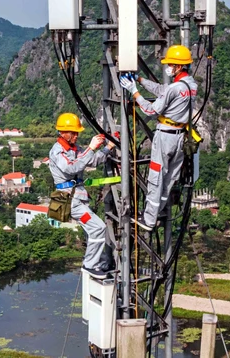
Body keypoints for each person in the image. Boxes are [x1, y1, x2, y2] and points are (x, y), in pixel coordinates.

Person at [119, 44, 197, 231]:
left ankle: (149, 220)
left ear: (178, 66)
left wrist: (134, 92)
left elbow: (150, 110)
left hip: (165, 137)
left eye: (170, 64)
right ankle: (159, 211)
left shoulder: (175, 88)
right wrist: (139, 79)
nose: (168, 67)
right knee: (170, 177)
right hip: (181, 138)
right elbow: (163, 90)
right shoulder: (191, 85)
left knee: (156, 176)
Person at [48, 112, 114, 279]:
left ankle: (98, 261)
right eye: (73, 133)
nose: (76, 136)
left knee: (94, 230)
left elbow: (90, 161)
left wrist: (107, 148)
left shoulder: (74, 149)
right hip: (71, 201)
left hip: (79, 198)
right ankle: (90, 265)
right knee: (98, 228)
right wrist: (91, 148)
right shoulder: (57, 152)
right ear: (63, 132)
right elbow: (71, 168)